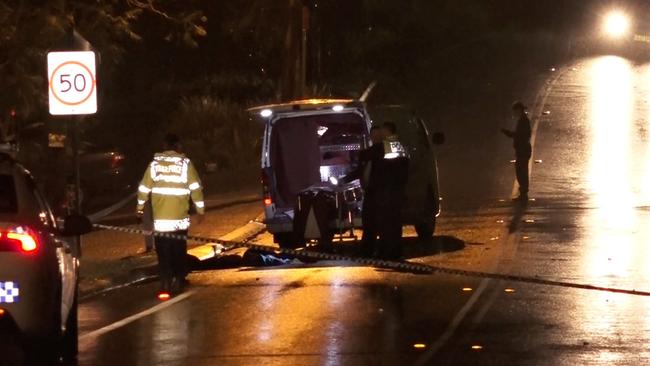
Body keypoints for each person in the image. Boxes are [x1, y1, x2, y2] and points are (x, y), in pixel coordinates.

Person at [137, 134, 205, 295]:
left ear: (164, 146)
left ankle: (165, 281)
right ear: (178, 146)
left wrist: (139, 208)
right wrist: (200, 211)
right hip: (179, 218)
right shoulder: (185, 164)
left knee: (163, 250)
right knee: (178, 249)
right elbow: (196, 188)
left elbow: (144, 188)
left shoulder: (154, 165)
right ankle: (179, 278)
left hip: (160, 220)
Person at [342, 125, 384, 256]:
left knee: (382, 223)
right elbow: (360, 171)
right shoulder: (366, 154)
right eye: (374, 135)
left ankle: (383, 250)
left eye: (378, 135)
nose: (376, 137)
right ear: (370, 136)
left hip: (382, 193)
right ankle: (367, 250)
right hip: (370, 193)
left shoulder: (385, 151)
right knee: (369, 223)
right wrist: (343, 180)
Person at [374, 122, 410, 260]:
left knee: (389, 223)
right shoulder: (397, 145)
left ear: (388, 131)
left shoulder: (389, 145)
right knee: (392, 223)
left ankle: (391, 252)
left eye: (382, 131)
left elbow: (390, 169)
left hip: (390, 192)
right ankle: (392, 251)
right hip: (394, 191)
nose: (380, 133)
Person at [501, 101, 532, 202]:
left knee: (521, 172)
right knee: (521, 171)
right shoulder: (523, 120)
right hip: (522, 149)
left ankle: (523, 194)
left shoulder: (523, 121)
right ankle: (523, 193)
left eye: (515, 111)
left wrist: (507, 133)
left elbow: (520, 135)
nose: (514, 113)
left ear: (519, 110)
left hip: (523, 150)